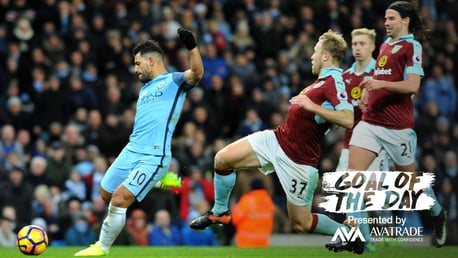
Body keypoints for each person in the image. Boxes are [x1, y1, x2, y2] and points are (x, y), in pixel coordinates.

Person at [190, 30, 363, 254]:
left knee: (300, 223)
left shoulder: (334, 81)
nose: (312, 56)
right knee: (222, 159)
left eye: (315, 51)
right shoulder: (320, 83)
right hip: (276, 140)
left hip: (299, 162)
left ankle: (349, 233)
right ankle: (220, 212)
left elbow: (347, 118)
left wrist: (313, 107)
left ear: (326, 56)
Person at [74, 27, 203, 256]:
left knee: (120, 199)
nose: (135, 69)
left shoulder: (173, 81)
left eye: (137, 63)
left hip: (154, 155)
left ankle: (101, 247)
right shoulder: (144, 90)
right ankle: (161, 181)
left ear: (151, 61)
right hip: (131, 150)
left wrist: (192, 47)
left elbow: (196, 74)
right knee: (105, 194)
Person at [339, 1, 447, 251]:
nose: (386, 23)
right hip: (369, 122)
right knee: (353, 178)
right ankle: (359, 241)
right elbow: (382, 77)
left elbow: (412, 86)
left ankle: (437, 211)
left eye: (391, 18)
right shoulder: (386, 46)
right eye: (385, 18)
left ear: (406, 20)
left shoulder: (412, 47)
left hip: (397, 127)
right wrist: (369, 88)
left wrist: (379, 85)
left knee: (409, 185)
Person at [336, 27, 389, 251]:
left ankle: (366, 240)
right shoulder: (346, 76)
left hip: (376, 143)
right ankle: (364, 243)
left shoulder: (382, 72)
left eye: (362, 44)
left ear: (372, 46)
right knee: (349, 195)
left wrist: (372, 107)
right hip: (350, 144)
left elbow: (400, 103)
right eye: (355, 44)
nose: (357, 48)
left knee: (368, 196)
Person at [231, 178, 275, 247]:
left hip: (246, 242)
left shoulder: (248, 200)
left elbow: (235, 219)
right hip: (263, 242)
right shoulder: (268, 201)